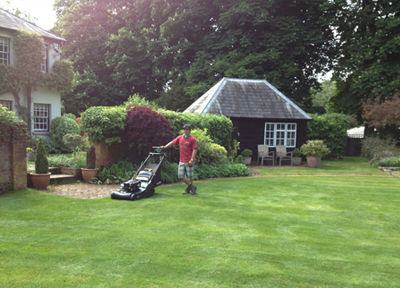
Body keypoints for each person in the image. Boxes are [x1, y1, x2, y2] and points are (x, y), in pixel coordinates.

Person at [161, 124, 198, 195]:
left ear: (190, 131)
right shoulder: (180, 137)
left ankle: (188, 190)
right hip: (182, 160)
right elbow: (172, 142)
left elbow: (195, 149)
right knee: (180, 176)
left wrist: (192, 159)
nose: (185, 131)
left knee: (189, 177)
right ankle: (192, 187)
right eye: (184, 129)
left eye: (187, 129)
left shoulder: (192, 139)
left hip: (189, 160)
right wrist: (165, 146)